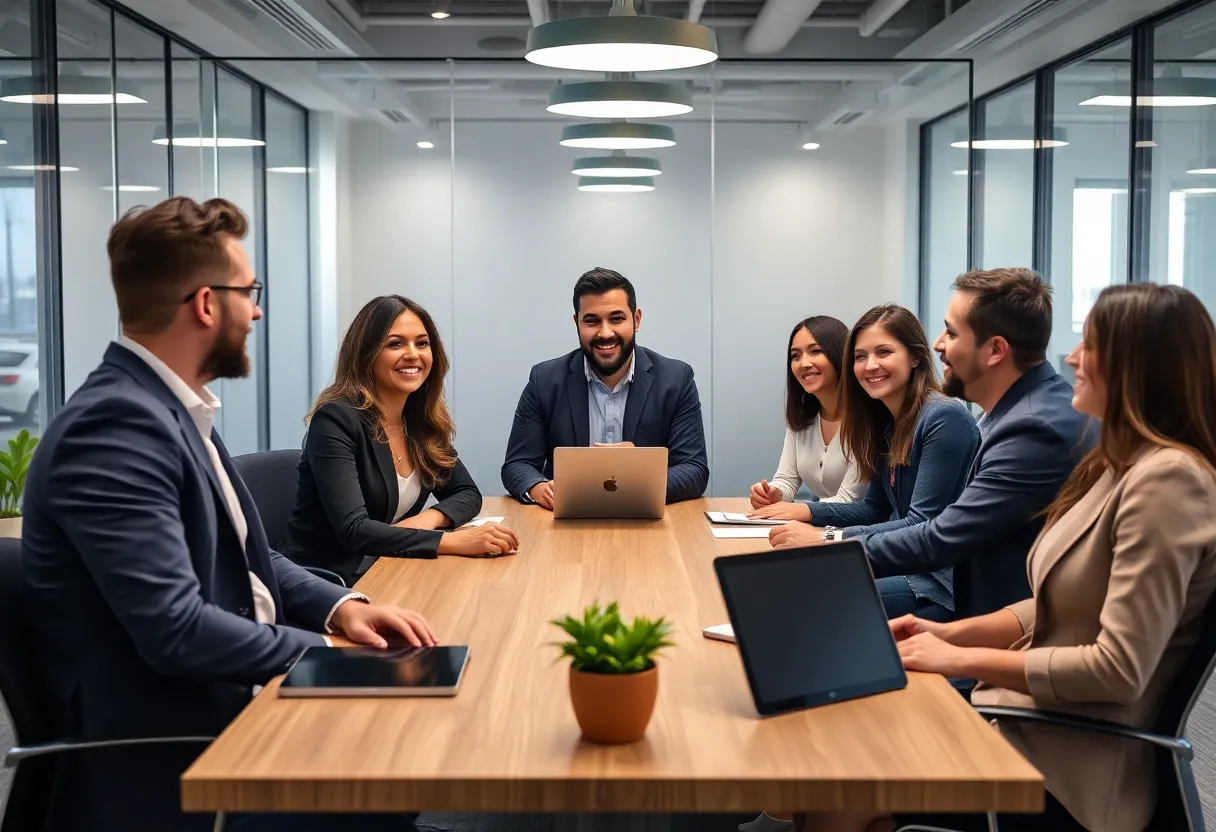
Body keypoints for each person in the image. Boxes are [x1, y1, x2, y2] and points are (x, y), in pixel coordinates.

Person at [22, 197, 432, 832]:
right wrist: (326, 653)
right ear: (207, 304)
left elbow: (253, 560)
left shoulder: (175, 411)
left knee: (407, 735)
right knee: (393, 762)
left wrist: (341, 607)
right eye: (250, 290)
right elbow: (176, 629)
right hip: (189, 750)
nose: (258, 309)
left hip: (244, 701)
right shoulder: (113, 430)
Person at [801, 283, 1216, 832]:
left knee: (845, 779)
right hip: (1026, 712)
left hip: (1064, 756)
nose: (1070, 357)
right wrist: (951, 634)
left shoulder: (1168, 481)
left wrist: (958, 659)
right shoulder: (1116, 465)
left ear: (1141, 367)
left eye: (1090, 345)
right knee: (841, 758)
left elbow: (1117, 670)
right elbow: (1057, 603)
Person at [841, 269, 1094, 621]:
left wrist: (834, 546)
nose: (938, 344)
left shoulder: (1033, 430)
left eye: (952, 332)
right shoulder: (1011, 414)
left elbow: (942, 537)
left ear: (995, 350)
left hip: (1008, 633)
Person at [281, 295, 518, 585]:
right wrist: (450, 542)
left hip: (390, 565)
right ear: (366, 354)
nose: (413, 354)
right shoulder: (336, 420)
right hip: (330, 581)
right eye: (395, 344)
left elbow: (467, 492)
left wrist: (426, 521)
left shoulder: (419, 421)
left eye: (422, 343)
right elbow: (354, 530)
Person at [769, 304, 979, 623]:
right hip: (895, 562)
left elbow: (921, 522)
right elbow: (874, 509)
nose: (870, 366)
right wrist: (809, 515)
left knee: (805, 594)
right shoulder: (886, 421)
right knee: (778, 577)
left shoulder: (943, 417)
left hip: (936, 582)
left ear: (916, 357)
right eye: (860, 356)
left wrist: (827, 538)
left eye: (883, 352)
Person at [501, 267, 710, 507]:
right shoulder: (544, 381)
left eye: (616, 319)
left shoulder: (676, 379)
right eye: (592, 321)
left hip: (649, 524)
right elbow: (517, 465)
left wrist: (639, 479)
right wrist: (539, 488)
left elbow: (694, 469)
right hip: (565, 526)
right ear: (576, 323)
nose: (605, 333)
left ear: (637, 319)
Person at [747, 316, 866, 519]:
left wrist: (798, 510)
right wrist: (772, 494)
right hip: (823, 529)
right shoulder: (801, 419)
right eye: (795, 356)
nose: (804, 363)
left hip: (864, 535)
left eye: (815, 351)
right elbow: (787, 480)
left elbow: (850, 500)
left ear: (841, 354)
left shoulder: (867, 419)